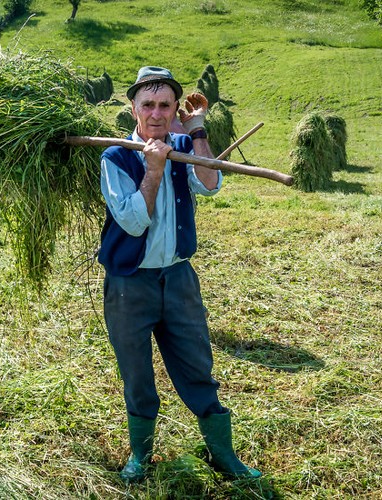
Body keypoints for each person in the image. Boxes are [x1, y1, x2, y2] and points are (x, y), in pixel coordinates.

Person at [98, 66, 262, 483]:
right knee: (136, 372)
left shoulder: (187, 145)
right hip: (129, 284)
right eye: (147, 104)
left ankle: (224, 456)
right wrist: (152, 170)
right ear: (132, 108)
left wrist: (199, 131)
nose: (156, 114)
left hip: (178, 279)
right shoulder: (115, 157)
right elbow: (134, 223)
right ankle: (140, 456)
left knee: (197, 366)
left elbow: (210, 185)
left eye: (165, 105)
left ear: (174, 109)